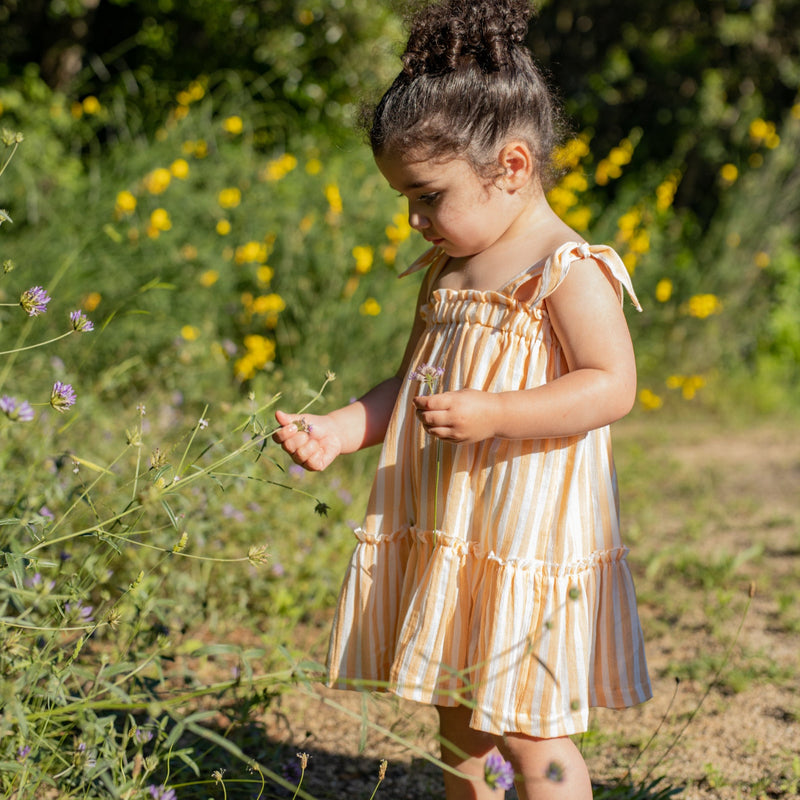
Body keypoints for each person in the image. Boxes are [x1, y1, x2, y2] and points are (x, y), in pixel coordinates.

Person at [273, 1, 652, 797]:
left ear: (511, 167)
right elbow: (409, 381)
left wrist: (497, 413)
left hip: (524, 536)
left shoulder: (565, 268)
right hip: (454, 529)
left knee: (528, 728)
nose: (414, 219)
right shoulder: (451, 271)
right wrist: (342, 428)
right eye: (404, 200)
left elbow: (611, 385)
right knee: (458, 715)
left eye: (428, 195)